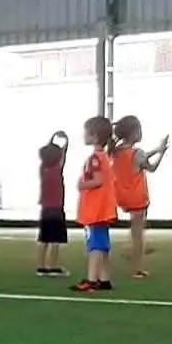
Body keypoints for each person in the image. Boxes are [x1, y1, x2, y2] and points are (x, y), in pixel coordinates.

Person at [111, 115, 169, 280]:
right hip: (137, 197)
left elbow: (140, 157)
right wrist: (161, 153)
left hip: (121, 195)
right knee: (138, 235)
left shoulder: (117, 151)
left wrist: (156, 149)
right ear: (134, 133)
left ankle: (130, 250)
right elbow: (151, 167)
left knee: (135, 231)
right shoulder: (137, 153)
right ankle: (137, 268)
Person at [75, 116, 117, 293]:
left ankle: (91, 280)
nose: (83, 136)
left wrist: (82, 185)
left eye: (86, 133)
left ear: (94, 136)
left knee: (95, 246)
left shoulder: (95, 158)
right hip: (103, 209)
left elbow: (98, 181)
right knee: (103, 244)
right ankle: (104, 279)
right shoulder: (104, 157)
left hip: (96, 210)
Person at [36, 131, 69, 277]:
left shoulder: (43, 169)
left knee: (43, 238)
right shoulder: (57, 169)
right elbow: (63, 154)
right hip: (56, 209)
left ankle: (41, 266)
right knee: (55, 239)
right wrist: (65, 141)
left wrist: (52, 139)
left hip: (45, 209)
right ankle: (53, 266)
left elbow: (56, 154)